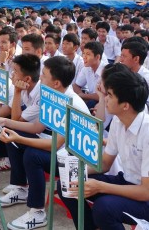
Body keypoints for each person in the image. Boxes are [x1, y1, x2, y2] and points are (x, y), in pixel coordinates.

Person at [0, 56, 89, 230]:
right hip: (60, 150)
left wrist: (18, 138)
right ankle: (21, 188)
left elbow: (55, 146)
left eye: (44, 75)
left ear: (56, 83)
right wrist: (4, 122)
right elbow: (36, 127)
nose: (40, 78)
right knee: (13, 134)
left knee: (33, 156)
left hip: (75, 162)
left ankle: (38, 212)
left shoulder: (71, 104)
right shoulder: (53, 95)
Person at [57, 67, 149, 230]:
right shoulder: (119, 122)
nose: (105, 98)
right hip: (127, 182)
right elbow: (105, 163)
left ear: (125, 105)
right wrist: (78, 170)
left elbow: (145, 191)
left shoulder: (146, 131)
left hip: (144, 198)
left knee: (104, 208)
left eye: (110, 95)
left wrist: (101, 186)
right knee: (69, 184)